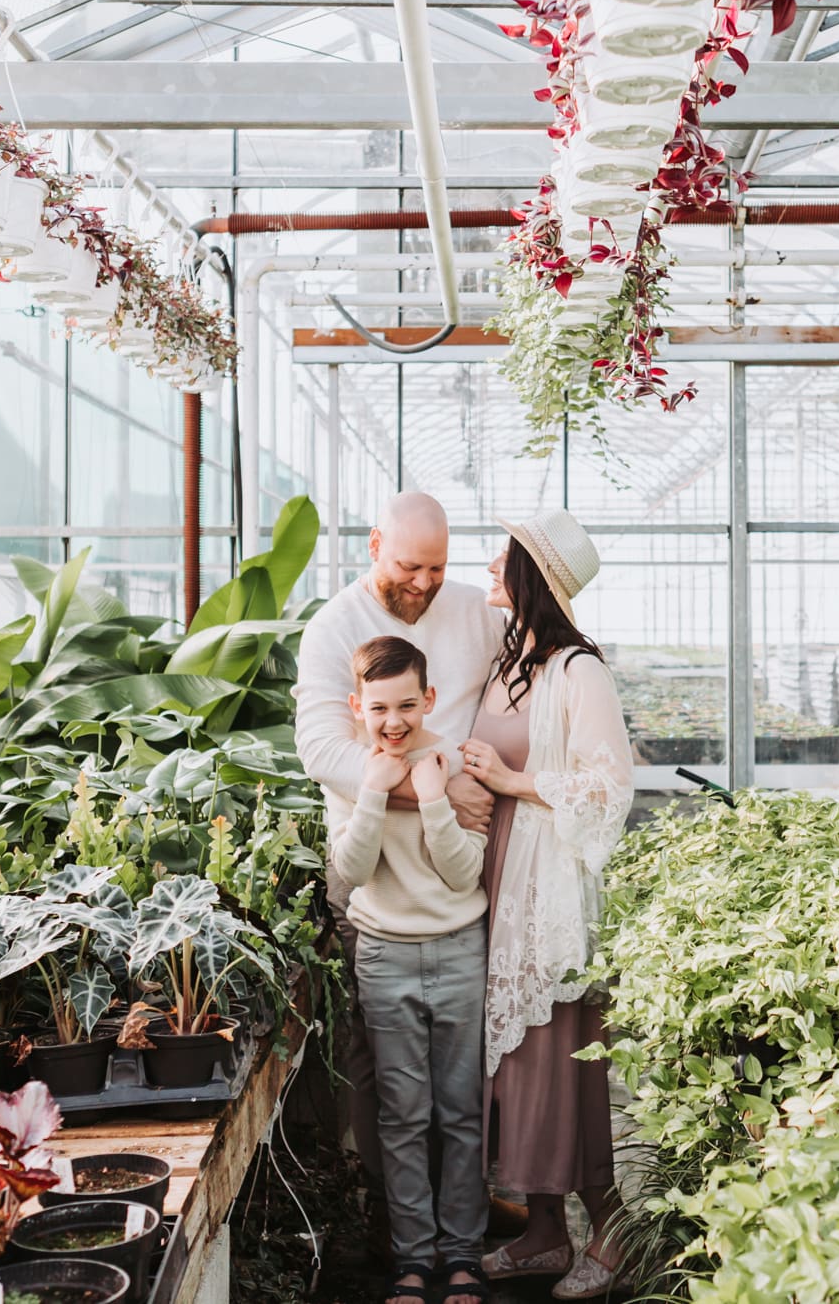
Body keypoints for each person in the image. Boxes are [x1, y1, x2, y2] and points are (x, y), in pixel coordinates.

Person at [293, 493, 506, 1204]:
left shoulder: (477, 611)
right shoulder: (333, 628)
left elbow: (529, 674)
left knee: (466, 1067)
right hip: (378, 882)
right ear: (374, 543)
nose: (421, 583)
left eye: (437, 568)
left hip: (462, 872)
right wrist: (427, 786)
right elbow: (321, 749)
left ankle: (469, 1205)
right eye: (408, 566)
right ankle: (394, 1220)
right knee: (385, 1070)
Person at [458, 509, 636, 1300]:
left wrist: (508, 780)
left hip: (546, 890)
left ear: (536, 574)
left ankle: (614, 1227)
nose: (490, 564)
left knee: (557, 1062)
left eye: (506, 556)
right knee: (511, 1071)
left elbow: (607, 785)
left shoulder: (578, 669)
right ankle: (541, 1232)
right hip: (495, 877)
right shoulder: (506, 658)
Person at [328, 636, 492, 1304]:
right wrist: (373, 794)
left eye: (406, 705)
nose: (393, 722)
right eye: (378, 708)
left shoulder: (452, 763)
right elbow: (352, 869)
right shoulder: (356, 772)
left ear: (427, 699)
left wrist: (433, 799)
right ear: (357, 707)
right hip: (384, 954)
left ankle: (463, 1257)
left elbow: (463, 872)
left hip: (458, 948)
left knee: (460, 1112)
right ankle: (411, 1259)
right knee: (402, 1114)